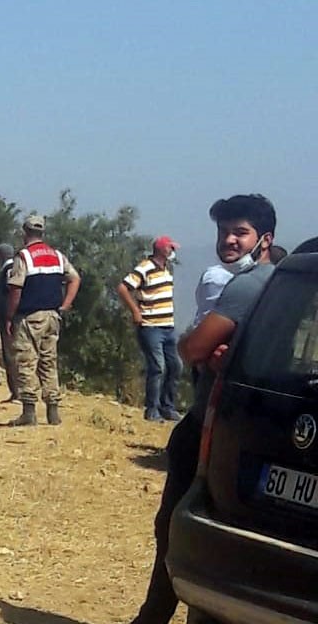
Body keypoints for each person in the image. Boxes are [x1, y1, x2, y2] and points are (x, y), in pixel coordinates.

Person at [130, 194, 278, 624]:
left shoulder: (248, 285)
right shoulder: (282, 283)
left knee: (175, 525)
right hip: (254, 425)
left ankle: (154, 616)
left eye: (240, 232)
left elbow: (193, 347)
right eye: (223, 231)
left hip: (210, 423)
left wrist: (198, 343)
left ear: (264, 238)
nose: (229, 240)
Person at [6, 214, 81, 426]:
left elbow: (15, 289)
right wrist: (65, 305)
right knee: (49, 361)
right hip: (52, 316)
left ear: (25, 232)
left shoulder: (24, 256)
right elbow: (75, 278)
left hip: (29, 317)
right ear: (42, 233)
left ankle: (29, 412)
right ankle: (53, 411)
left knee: (27, 361)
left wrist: (10, 316)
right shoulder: (57, 255)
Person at [117, 236, 184, 422]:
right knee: (158, 368)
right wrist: (135, 311)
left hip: (168, 325)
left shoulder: (167, 270)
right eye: (170, 248)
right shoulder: (145, 267)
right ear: (163, 249)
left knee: (175, 366)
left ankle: (167, 407)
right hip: (151, 326)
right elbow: (123, 287)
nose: (172, 251)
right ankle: (152, 410)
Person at [0, 243, 20, 402]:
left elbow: (12, 293)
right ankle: (16, 392)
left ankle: (18, 392)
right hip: (8, 318)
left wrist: (9, 317)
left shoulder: (10, 269)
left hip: (10, 319)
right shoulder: (8, 268)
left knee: (12, 356)